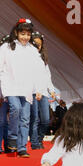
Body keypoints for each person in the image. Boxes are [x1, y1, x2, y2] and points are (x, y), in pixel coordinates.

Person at [0, 18, 47, 158]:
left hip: (27, 89)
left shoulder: (32, 50)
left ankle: (21, 148)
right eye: (22, 34)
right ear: (16, 32)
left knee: (25, 119)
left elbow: (38, 70)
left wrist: (39, 88)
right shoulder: (6, 47)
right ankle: (12, 137)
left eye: (28, 34)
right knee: (16, 109)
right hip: (11, 87)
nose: (25, 37)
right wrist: (2, 89)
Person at [30, 31, 56, 150]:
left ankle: (39, 139)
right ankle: (35, 143)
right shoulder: (27, 58)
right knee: (34, 119)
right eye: (34, 43)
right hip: (32, 92)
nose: (37, 46)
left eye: (39, 44)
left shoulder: (43, 59)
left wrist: (52, 91)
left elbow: (47, 77)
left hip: (44, 93)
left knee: (46, 120)